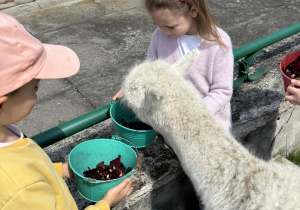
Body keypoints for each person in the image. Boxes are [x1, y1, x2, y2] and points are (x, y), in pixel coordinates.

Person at [0, 12, 131, 210]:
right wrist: (105, 204)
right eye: (35, 87)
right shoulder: (21, 191)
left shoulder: (5, 133)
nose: (37, 92)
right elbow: (26, 180)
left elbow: (30, 165)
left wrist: (61, 169)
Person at [113, 0, 234, 133]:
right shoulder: (159, 35)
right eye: (158, 25)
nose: (165, 32)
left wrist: (191, 115)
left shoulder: (218, 44)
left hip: (209, 127)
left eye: (171, 27)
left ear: (193, 11)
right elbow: (150, 71)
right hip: (173, 128)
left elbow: (222, 91)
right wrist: (133, 89)